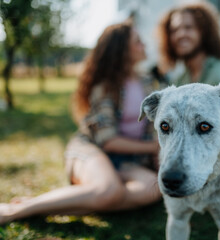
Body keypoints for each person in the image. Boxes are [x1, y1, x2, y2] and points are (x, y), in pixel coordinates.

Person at [0, 21, 162, 224]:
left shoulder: (148, 82)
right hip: (92, 151)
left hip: (130, 161)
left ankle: (82, 200)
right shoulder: (104, 86)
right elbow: (108, 141)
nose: (144, 45)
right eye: (138, 42)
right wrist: (154, 147)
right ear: (122, 50)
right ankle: (18, 211)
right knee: (109, 191)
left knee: (152, 189)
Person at [157, 2, 220, 88]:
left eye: (188, 27)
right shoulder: (180, 79)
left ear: (204, 32)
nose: (180, 34)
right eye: (174, 30)